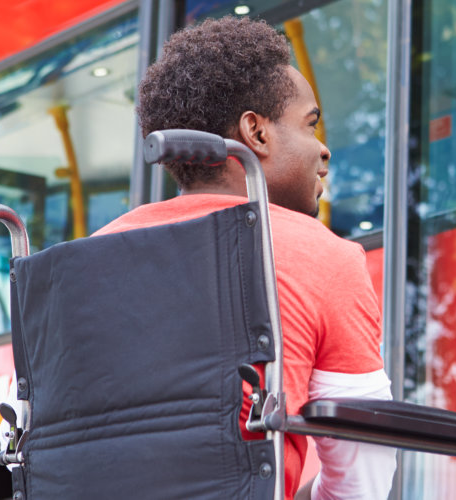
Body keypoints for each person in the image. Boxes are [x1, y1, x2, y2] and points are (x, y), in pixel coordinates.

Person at [96, 16, 396, 500]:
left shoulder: (89, 253)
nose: (324, 151)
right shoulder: (325, 255)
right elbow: (361, 478)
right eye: (310, 124)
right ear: (255, 133)